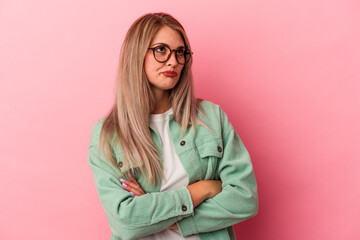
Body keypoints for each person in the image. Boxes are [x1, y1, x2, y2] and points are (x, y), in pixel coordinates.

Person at [88, 12, 258, 240]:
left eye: (180, 52)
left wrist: (166, 217)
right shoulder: (108, 135)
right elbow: (126, 221)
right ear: (137, 54)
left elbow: (244, 199)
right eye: (161, 50)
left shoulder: (211, 117)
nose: (173, 61)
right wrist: (200, 190)